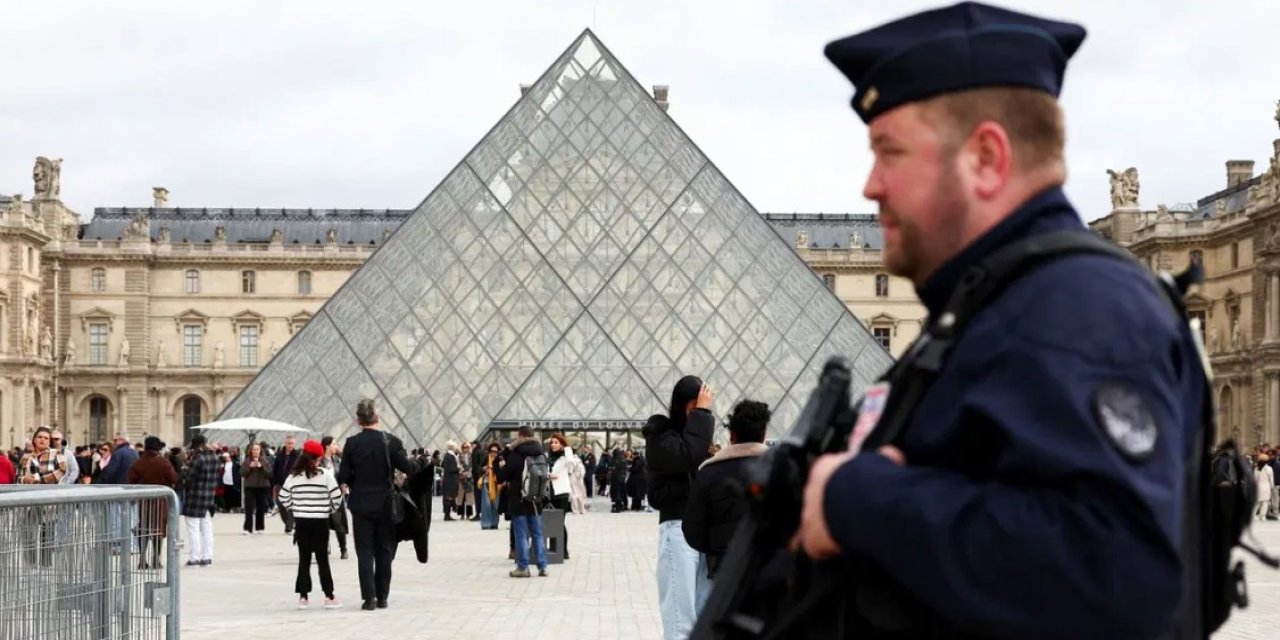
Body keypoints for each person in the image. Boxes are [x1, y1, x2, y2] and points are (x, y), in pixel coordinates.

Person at [791, 4, 1210, 637]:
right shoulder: (998, 304)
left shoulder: (1079, 307)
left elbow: (1116, 576)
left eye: (889, 151)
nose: (871, 185)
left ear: (986, 158)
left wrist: (858, 499)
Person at [643, 375, 715, 639]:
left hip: (703, 532)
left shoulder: (695, 437)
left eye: (704, 407)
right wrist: (703, 414)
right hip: (678, 529)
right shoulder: (660, 436)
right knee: (679, 620)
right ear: (682, 404)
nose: (700, 413)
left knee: (703, 619)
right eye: (695, 408)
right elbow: (688, 455)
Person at [682, 399, 771, 611]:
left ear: (732, 435)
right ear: (763, 434)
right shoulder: (783, 470)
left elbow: (692, 531)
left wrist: (715, 548)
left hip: (723, 574)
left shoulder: (708, 473)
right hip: (769, 573)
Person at [337, 398, 418, 611]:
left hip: (361, 504)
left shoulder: (351, 443)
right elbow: (408, 468)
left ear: (358, 420)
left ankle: (369, 598)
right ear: (377, 418)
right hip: (385, 504)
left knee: (364, 552)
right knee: (384, 550)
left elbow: (343, 476)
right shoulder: (391, 441)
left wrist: (356, 482)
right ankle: (382, 597)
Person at [279, 439, 344, 610]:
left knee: (304, 560)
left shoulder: (293, 476)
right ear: (318, 458)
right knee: (323, 560)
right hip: (320, 521)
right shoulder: (325, 475)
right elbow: (337, 498)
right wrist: (328, 509)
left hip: (302, 522)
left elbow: (283, 497)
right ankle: (329, 596)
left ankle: (303, 597)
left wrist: (296, 507)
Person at [498, 425, 549, 578]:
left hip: (518, 498)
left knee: (521, 534)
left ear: (520, 436)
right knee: (537, 533)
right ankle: (543, 566)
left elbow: (502, 477)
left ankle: (523, 567)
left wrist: (501, 465)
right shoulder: (540, 452)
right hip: (535, 499)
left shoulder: (516, 453)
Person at [128, 436, 179, 570]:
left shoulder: (138, 463)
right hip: (159, 499)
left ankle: (142, 559)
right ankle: (156, 559)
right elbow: (174, 478)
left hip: (143, 499)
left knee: (143, 528)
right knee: (158, 529)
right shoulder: (163, 462)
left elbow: (131, 481)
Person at [183, 434, 220, 567]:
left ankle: (194, 558)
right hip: (209, 497)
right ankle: (207, 557)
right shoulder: (215, 458)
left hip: (195, 497)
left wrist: (185, 471)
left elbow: (189, 478)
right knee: (207, 529)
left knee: (193, 529)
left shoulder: (197, 458)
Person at [319, 435, 349, 559]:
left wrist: (344, 485)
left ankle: (343, 548)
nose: (336, 446)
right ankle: (325, 546)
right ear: (327, 446)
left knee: (338, 524)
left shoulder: (337, 460)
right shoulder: (319, 461)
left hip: (335, 496)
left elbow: (342, 475)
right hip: (322, 497)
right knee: (323, 524)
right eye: (334, 444)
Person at [241, 443, 272, 534]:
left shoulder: (265, 461)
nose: (255, 451)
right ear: (251, 451)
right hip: (250, 487)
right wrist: (249, 467)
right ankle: (248, 528)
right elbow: (242, 473)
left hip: (262, 487)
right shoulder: (247, 461)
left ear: (260, 450)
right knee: (249, 508)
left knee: (260, 508)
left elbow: (269, 474)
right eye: (254, 449)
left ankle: (259, 528)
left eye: (257, 449)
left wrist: (261, 467)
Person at [272, 436, 301, 534]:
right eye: (288, 443)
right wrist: (274, 481)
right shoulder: (280, 455)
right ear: (285, 443)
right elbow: (275, 468)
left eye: (292, 443)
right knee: (280, 504)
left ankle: (289, 526)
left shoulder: (297, 456)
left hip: (293, 484)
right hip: (280, 483)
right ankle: (289, 523)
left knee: (292, 505)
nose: (290, 445)